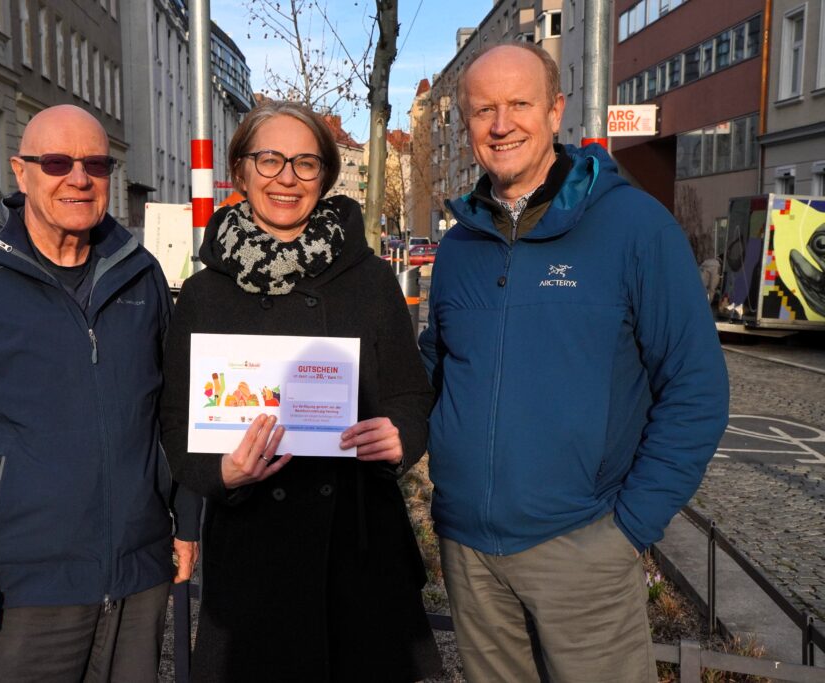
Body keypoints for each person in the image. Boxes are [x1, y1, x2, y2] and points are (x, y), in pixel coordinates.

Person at [419, 43, 729, 682]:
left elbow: (696, 389)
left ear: (555, 110)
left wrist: (627, 530)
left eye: (519, 104)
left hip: (583, 546)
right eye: (483, 110)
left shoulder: (634, 227)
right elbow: (436, 367)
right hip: (469, 551)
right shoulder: (459, 245)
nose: (501, 124)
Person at [0, 105, 200, 683]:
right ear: (20, 171)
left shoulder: (139, 272)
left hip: (137, 580)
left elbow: (170, 408)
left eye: (96, 164)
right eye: (56, 162)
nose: (78, 178)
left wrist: (185, 520)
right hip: (18, 588)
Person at [159, 100, 442, 682]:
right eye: (269, 160)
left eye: (305, 163)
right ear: (240, 171)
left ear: (325, 176)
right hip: (252, 549)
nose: (286, 178)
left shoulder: (369, 277)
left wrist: (401, 436)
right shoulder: (205, 292)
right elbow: (176, 424)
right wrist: (221, 473)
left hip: (358, 547)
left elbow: (410, 393)